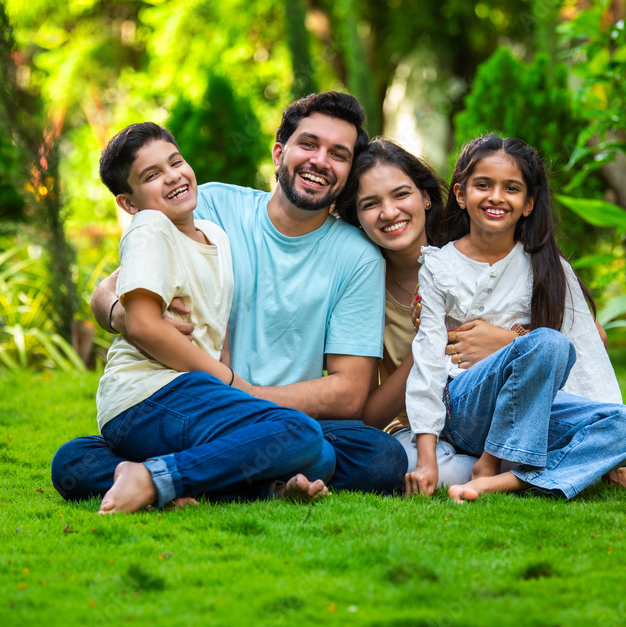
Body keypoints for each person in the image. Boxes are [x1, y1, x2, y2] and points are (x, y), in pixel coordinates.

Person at [50, 92, 408, 501]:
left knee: (380, 456)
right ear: (278, 153)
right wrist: (123, 317)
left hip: (276, 415)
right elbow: (109, 290)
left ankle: (185, 477)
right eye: (308, 144)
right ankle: (249, 478)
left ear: (346, 172)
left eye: (338, 154)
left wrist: (249, 396)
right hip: (194, 404)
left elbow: (348, 394)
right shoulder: (213, 208)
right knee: (73, 461)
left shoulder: (358, 256)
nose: (320, 161)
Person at [334, 138, 626, 494]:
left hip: (519, 405)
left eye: (401, 194)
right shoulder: (373, 282)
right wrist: (432, 346)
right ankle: (573, 464)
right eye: (370, 204)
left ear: (428, 198)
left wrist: (509, 342)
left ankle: (570, 466)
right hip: (440, 419)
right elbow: (379, 404)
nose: (389, 212)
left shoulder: (505, 252)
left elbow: (583, 343)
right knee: (438, 467)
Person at [90, 122, 330, 513]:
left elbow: (218, 326)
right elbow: (142, 325)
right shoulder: (150, 228)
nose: (173, 177)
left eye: (175, 162)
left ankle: (153, 478)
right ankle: (159, 480)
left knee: (74, 459)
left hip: (183, 400)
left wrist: (226, 385)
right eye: (152, 176)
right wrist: (233, 384)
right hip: (147, 397)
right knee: (300, 432)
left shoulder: (215, 236)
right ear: (128, 203)